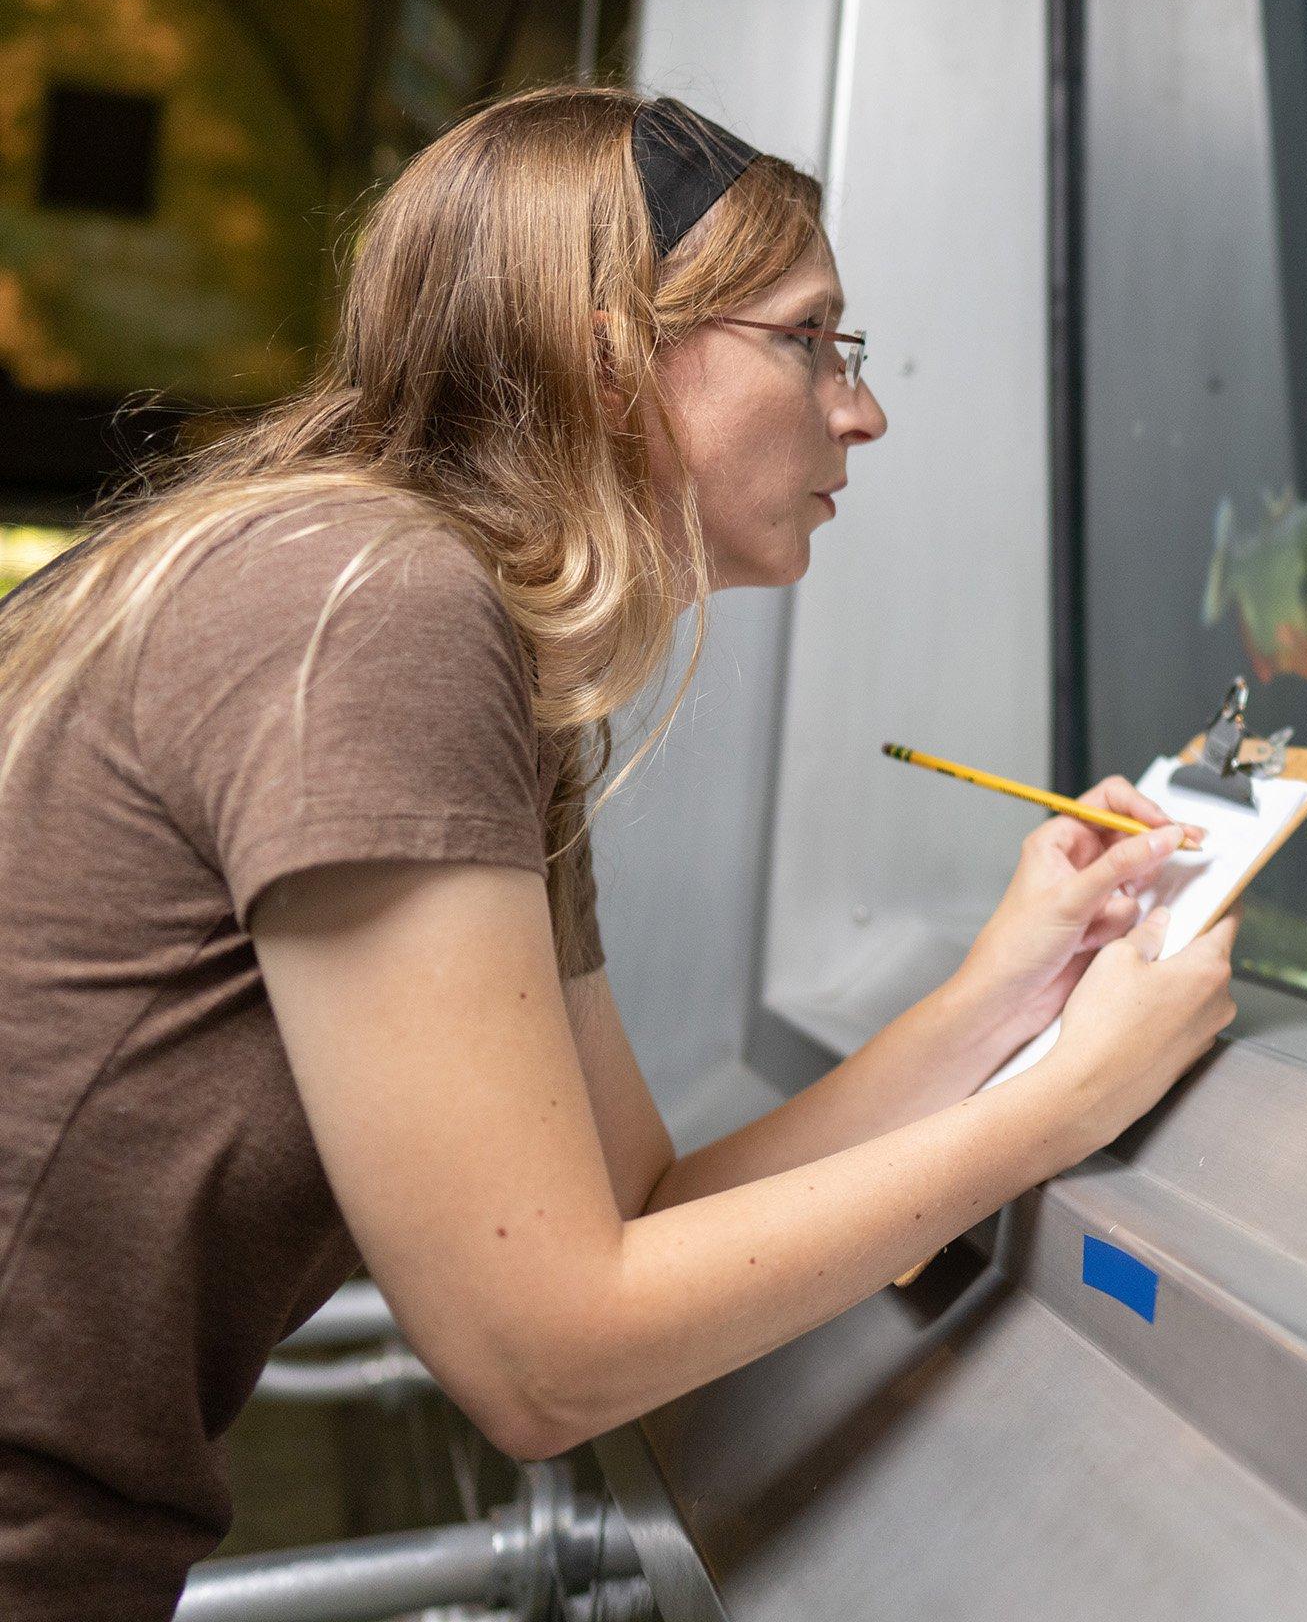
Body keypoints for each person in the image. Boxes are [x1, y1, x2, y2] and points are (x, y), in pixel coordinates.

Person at [0, 87, 1237, 1618]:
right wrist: (1067, 1106)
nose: (862, 409)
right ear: (607, 361)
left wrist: (1004, 989)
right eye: (810, 340)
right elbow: (545, 1356)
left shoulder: (488, 666)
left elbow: (635, 1212)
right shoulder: (383, 608)